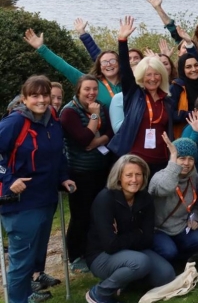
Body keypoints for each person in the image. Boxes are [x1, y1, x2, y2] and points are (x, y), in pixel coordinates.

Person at [1, 76, 74, 303]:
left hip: (46, 196)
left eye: (45, 95)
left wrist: (64, 177)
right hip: (21, 201)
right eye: (35, 96)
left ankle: (26, 295)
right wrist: (8, 178)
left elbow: (57, 153)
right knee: (22, 260)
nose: (41, 100)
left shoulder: (52, 118)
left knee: (34, 257)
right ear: (24, 99)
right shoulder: (14, 123)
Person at [85, 155, 174, 303]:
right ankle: (99, 293)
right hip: (101, 255)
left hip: (133, 251)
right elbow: (110, 245)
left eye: (138, 174)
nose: (134, 179)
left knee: (167, 276)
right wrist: (137, 233)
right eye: (129, 175)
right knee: (141, 262)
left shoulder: (145, 198)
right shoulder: (105, 199)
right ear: (119, 177)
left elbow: (148, 239)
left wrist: (124, 235)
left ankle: (126, 283)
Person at [59, 75, 113, 273]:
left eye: (94, 89)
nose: (91, 93)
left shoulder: (100, 106)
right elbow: (83, 138)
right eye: (87, 89)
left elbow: (110, 132)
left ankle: (92, 250)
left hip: (101, 168)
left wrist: (96, 143)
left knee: (98, 213)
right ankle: (74, 255)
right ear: (78, 90)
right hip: (80, 172)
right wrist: (94, 117)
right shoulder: (69, 112)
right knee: (80, 215)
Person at [108, 17, 175, 176]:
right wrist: (122, 40)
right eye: (148, 75)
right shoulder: (134, 94)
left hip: (161, 160)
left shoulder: (167, 99)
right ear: (141, 77)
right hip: (135, 161)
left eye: (156, 74)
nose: (153, 78)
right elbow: (124, 69)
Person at [24, 28, 122, 107]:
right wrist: (42, 48)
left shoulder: (129, 82)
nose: (109, 64)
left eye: (113, 61)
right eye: (104, 62)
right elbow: (64, 67)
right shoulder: (91, 83)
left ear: (120, 63)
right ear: (99, 66)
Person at [148, 136, 198, 264]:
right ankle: (162, 263)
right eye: (182, 158)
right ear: (173, 159)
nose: (186, 163)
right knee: (169, 251)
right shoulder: (160, 177)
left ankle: (179, 262)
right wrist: (173, 161)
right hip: (158, 229)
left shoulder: (194, 177)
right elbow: (166, 188)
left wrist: (195, 215)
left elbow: (197, 200)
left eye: (190, 159)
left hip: (181, 226)